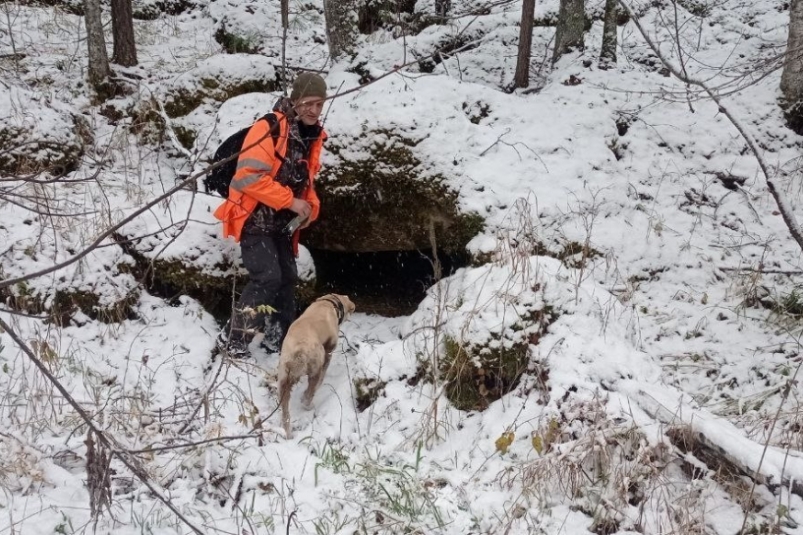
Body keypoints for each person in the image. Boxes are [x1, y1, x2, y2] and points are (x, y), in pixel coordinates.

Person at [213, 72, 328, 357]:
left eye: (319, 104)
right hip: (254, 220)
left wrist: (309, 208)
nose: (314, 110)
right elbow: (248, 177)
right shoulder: (270, 127)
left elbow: (306, 185)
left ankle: (278, 340)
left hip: (281, 225)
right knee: (267, 278)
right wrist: (290, 202)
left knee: (288, 278)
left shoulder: (311, 136)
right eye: (309, 103)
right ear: (295, 100)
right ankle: (233, 340)